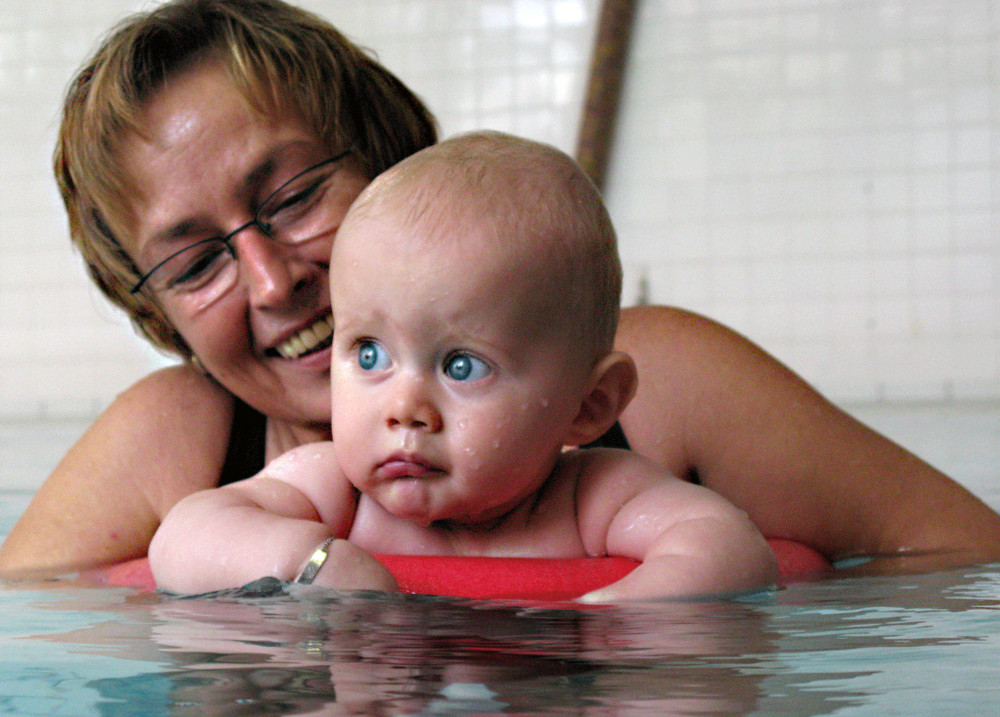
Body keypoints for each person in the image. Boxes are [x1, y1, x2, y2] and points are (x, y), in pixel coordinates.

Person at [2, 0, 999, 579]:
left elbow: (966, 570)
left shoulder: (670, 385)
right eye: (195, 261)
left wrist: (729, 593)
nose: (271, 280)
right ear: (155, 307)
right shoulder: (177, 443)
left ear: (387, 161)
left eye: (297, 195)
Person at [148, 131, 780, 600]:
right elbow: (184, 538)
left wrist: (616, 614)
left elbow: (728, 546)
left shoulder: (593, 498)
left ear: (590, 406)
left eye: (461, 367)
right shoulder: (336, 496)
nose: (405, 410)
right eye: (369, 354)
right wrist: (311, 563)